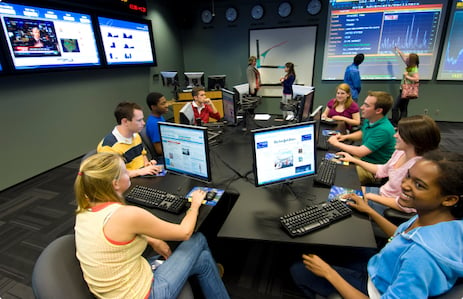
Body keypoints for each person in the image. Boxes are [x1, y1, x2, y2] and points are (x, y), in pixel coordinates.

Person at [290, 150, 463, 299]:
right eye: (409, 176)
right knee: (331, 248)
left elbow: (414, 251)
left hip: (376, 290)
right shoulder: (439, 220)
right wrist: (371, 211)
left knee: (299, 270)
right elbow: (403, 237)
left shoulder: (422, 257)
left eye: (419, 185)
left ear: (449, 199)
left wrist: (329, 273)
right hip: (384, 267)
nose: (405, 185)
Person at [74, 152, 230, 299]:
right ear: (115, 184)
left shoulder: (84, 209)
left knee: (202, 259)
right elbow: (185, 233)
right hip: (143, 294)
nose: (129, 172)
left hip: (113, 290)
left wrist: (153, 239)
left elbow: (116, 237)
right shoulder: (126, 215)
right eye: (125, 171)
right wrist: (195, 205)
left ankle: (214, 276)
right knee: (197, 239)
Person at [337, 115, 441, 214]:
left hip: (388, 205)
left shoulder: (419, 168)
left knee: (339, 204)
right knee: (339, 190)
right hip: (380, 192)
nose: (395, 135)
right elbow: (382, 170)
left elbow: (408, 206)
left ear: (412, 139)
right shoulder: (401, 152)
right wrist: (354, 160)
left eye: (399, 133)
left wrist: (370, 196)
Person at [328, 91, 396, 185]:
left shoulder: (383, 130)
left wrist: (336, 143)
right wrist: (344, 137)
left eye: (367, 106)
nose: (361, 107)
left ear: (378, 110)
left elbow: (360, 152)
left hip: (372, 169)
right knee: (330, 163)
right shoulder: (371, 119)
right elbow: (363, 132)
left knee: (338, 177)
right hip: (364, 159)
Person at [97, 102, 162, 177]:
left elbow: (143, 154)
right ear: (125, 122)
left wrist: (147, 165)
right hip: (127, 182)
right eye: (139, 120)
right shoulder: (108, 147)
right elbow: (116, 174)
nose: (143, 123)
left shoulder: (135, 135)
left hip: (140, 175)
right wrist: (140, 171)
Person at [391, 47, 420, 126]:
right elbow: (404, 58)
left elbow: (417, 79)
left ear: (412, 60)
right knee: (403, 108)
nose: (407, 58)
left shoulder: (413, 69)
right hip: (404, 90)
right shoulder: (410, 66)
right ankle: (402, 123)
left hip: (406, 90)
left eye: (409, 58)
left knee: (395, 107)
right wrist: (398, 51)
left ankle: (395, 123)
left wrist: (407, 76)